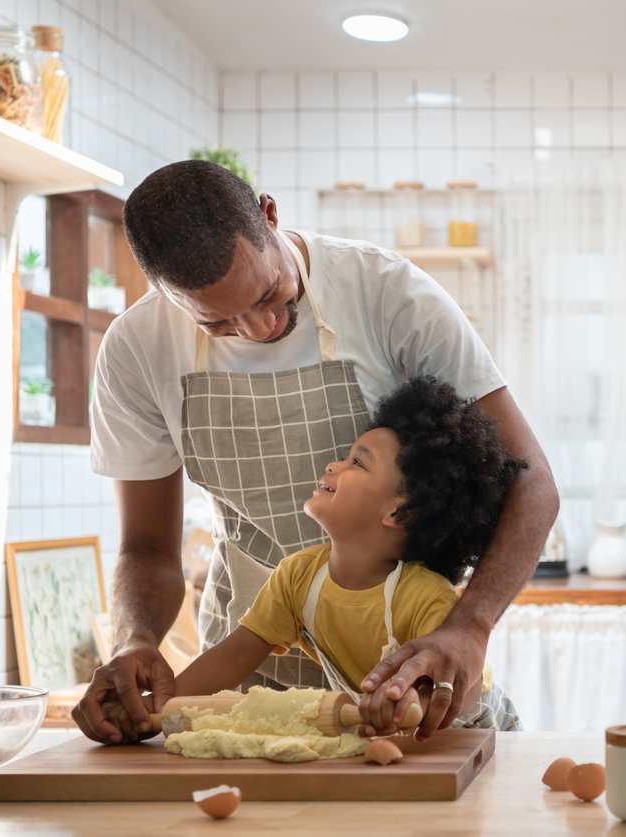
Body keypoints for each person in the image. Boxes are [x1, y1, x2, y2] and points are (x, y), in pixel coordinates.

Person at [72, 160, 558, 745]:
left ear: (270, 216)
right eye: (219, 323)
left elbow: (531, 480)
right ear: (165, 293)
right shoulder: (135, 350)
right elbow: (147, 548)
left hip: (399, 686)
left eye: (270, 294)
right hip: (246, 692)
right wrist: (136, 645)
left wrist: (468, 627)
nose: (259, 328)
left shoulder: (385, 293)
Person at [100, 377, 527, 742]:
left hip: (477, 736)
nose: (333, 465)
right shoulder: (299, 578)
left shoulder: (423, 597)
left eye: (356, 462)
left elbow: (457, 686)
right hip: (402, 743)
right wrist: (153, 713)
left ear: (399, 513)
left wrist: (410, 699)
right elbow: (232, 658)